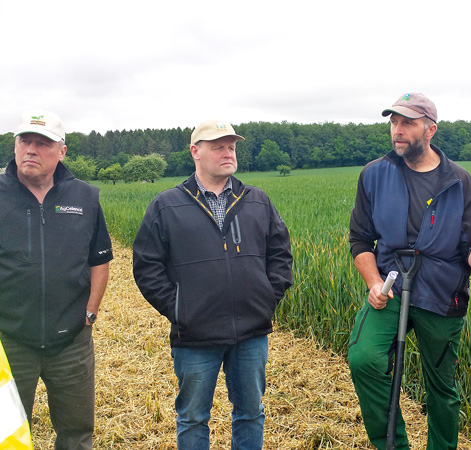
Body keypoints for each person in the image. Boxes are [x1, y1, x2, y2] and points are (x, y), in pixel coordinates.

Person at [348, 92, 471, 450]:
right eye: (394, 122)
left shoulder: (459, 181)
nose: (397, 131)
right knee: (364, 359)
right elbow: (360, 240)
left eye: (407, 123)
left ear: (430, 129)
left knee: (441, 388)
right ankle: (393, 445)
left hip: (441, 293)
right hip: (389, 288)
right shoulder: (374, 174)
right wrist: (373, 283)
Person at [132, 120, 293, 450]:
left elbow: (281, 257)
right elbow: (147, 267)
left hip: (251, 333)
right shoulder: (167, 205)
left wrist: (265, 300)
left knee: (250, 413)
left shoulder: (257, 201)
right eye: (218, 146)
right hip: (195, 336)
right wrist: (181, 308)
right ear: (195, 151)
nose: (227, 152)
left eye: (231, 146)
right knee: (193, 418)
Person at [0, 110, 113, 450]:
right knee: (9, 435)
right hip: (9, 342)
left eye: (42, 143)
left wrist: (89, 314)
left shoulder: (85, 197)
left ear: (62, 151)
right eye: (25, 141)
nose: (31, 149)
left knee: (77, 434)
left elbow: (100, 261)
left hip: (72, 342)